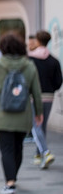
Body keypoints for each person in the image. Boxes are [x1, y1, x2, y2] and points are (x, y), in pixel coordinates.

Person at [0, 32, 43, 194]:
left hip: (2, 114)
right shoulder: (29, 65)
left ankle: (10, 181)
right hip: (23, 113)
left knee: (6, 149)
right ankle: (13, 176)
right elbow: (36, 91)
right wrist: (39, 112)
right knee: (18, 148)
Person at [28, 30, 62, 169]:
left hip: (33, 97)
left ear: (37, 41)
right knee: (42, 125)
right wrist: (51, 89)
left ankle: (45, 153)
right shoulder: (54, 60)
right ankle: (38, 155)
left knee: (35, 126)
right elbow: (59, 81)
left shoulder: (30, 59)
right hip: (49, 96)